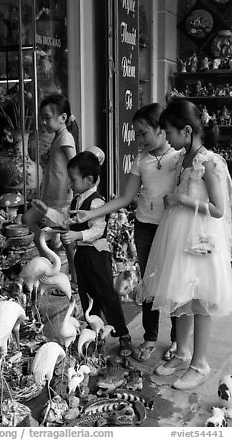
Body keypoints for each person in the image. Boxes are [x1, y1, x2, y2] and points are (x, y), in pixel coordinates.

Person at [71, 103, 180, 361]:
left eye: (143, 133)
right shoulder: (141, 161)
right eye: (136, 134)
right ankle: (151, 337)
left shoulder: (178, 157)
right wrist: (91, 214)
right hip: (144, 228)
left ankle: (178, 341)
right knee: (149, 284)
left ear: (161, 129)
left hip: (171, 228)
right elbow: (124, 198)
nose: (139, 140)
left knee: (175, 284)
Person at [142, 99, 232, 390]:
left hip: (201, 239)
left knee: (200, 299)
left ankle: (200, 363)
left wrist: (182, 200)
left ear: (187, 130)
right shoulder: (182, 158)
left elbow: (219, 209)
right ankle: (182, 351)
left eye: (168, 131)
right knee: (181, 294)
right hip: (180, 234)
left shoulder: (208, 162)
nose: (166, 137)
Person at [62, 151, 133, 357]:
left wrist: (77, 234)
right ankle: (95, 335)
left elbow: (97, 230)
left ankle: (123, 334)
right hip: (82, 256)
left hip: (97, 255)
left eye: (73, 179)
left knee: (106, 295)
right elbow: (69, 221)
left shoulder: (96, 203)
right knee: (87, 297)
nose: (71, 183)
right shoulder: (76, 201)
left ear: (89, 180)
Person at [22, 93, 77, 285]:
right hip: (49, 198)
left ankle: (74, 278)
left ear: (62, 118)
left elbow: (75, 164)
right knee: (28, 219)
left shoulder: (65, 138)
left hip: (60, 199)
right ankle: (48, 262)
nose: (44, 122)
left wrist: (74, 189)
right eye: (42, 118)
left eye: (47, 118)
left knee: (67, 240)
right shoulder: (58, 138)